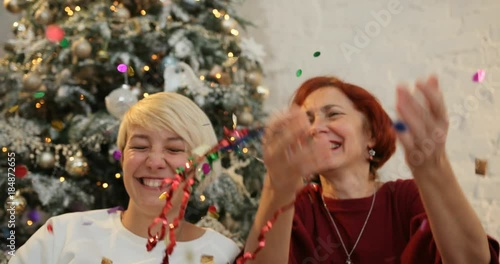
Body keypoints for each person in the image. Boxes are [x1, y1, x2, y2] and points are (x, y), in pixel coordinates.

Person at [244, 76, 500, 263]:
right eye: (308, 120)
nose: (315, 128)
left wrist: (434, 168)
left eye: (332, 114)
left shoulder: (406, 199)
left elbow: (474, 261)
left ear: (371, 135)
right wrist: (278, 183)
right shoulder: (298, 208)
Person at [10, 92, 241, 264]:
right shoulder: (62, 234)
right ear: (122, 158)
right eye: (140, 146)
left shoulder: (223, 254)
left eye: (174, 149)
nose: (154, 162)